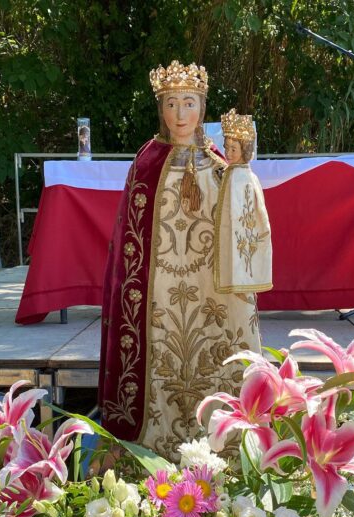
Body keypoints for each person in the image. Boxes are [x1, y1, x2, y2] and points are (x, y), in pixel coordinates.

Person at [98, 61, 262, 462]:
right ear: (161, 110)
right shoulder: (147, 161)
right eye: (172, 104)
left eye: (189, 103)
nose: (181, 114)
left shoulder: (219, 161)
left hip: (210, 284)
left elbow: (241, 218)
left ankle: (226, 445)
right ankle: (152, 444)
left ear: (202, 108)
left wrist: (238, 175)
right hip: (160, 290)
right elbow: (130, 242)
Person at [216, 109, 272, 294]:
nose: (228, 153)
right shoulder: (230, 172)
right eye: (226, 148)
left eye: (234, 149)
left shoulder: (244, 176)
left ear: (245, 150)